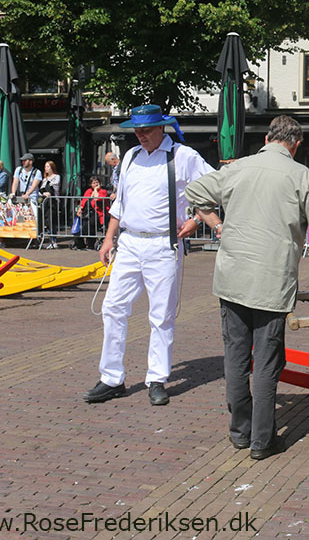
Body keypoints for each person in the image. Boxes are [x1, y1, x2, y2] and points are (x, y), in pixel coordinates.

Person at [184, 115, 309, 460]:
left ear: (270, 137)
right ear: (295, 144)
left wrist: (218, 225)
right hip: (271, 281)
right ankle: (261, 440)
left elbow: (196, 191)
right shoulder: (300, 175)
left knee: (237, 357)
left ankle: (240, 432)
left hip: (232, 280)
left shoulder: (238, 167)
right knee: (268, 361)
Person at [84, 104, 213, 407]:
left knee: (161, 315)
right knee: (113, 307)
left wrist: (196, 220)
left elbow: (213, 187)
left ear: (161, 128)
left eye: (145, 129)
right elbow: (121, 203)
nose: (139, 135)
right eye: (136, 130)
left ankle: (157, 378)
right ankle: (111, 378)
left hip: (162, 246)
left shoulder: (183, 156)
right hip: (129, 243)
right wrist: (108, 239)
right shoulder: (130, 156)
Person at [74, 175, 108, 250]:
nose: (95, 184)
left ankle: (91, 244)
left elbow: (96, 199)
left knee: (89, 225)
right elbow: (83, 202)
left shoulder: (103, 191)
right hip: (86, 213)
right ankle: (80, 244)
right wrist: (80, 209)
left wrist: (96, 190)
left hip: (99, 214)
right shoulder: (88, 191)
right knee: (78, 226)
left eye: (97, 182)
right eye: (93, 183)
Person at [39, 161, 61, 249]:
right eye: (45, 167)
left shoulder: (56, 177)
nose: (46, 168)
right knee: (47, 221)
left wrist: (47, 191)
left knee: (52, 220)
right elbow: (41, 190)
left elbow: (54, 186)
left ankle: (54, 240)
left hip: (53, 201)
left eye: (48, 166)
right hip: (46, 201)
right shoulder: (44, 179)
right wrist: (43, 193)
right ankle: (49, 239)